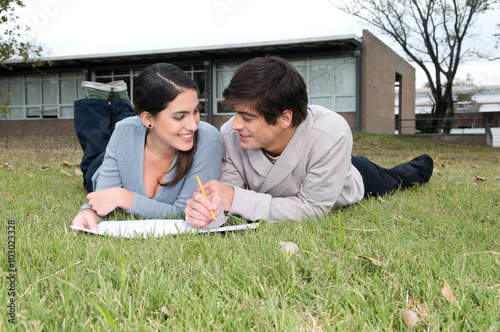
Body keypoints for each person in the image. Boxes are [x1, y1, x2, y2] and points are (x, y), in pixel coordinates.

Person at [184, 56, 433, 227]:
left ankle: (422, 165)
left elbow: (312, 209)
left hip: (351, 178)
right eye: (235, 112)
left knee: (397, 179)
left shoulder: (331, 133)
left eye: (247, 117)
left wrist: (236, 199)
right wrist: (209, 212)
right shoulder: (231, 134)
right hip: (306, 177)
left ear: (284, 118)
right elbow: (226, 197)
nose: (235, 124)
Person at [72, 63, 224, 231]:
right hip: (100, 167)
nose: (193, 126)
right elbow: (103, 197)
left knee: (120, 130)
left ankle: (121, 101)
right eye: (180, 116)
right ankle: (102, 101)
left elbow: (185, 213)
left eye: (196, 111)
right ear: (148, 119)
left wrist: (124, 197)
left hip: (138, 139)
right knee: (92, 156)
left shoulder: (208, 140)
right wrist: (87, 211)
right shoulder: (124, 132)